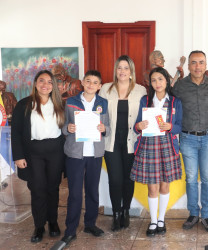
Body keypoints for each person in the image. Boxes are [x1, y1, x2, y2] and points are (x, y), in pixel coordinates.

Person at [56, 70, 110, 247]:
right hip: (75, 153)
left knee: (93, 191)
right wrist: (68, 129)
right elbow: (63, 126)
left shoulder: (103, 102)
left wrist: (103, 128)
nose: (91, 85)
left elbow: (107, 127)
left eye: (95, 82)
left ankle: (90, 224)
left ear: (99, 86)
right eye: (88, 81)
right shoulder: (71, 102)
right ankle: (70, 229)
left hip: (95, 153)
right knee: (75, 193)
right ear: (82, 83)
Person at [11, 70, 65, 243]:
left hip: (56, 150)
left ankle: (53, 222)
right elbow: (16, 133)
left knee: (53, 188)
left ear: (53, 86)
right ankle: (39, 225)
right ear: (35, 83)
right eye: (41, 81)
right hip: (33, 151)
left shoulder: (59, 104)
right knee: (38, 189)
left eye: (49, 82)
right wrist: (18, 156)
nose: (45, 85)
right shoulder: (24, 105)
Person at [132, 67, 183, 237]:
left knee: (164, 185)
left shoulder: (175, 102)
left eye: (160, 79)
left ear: (167, 81)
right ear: (150, 83)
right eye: (154, 80)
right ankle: (153, 220)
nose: (157, 83)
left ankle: (162, 219)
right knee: (152, 187)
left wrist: (171, 127)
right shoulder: (145, 100)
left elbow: (180, 126)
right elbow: (137, 124)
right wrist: (138, 126)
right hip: (149, 146)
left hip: (167, 146)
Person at [172, 50, 208, 232]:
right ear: (189, 65)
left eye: (201, 62)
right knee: (191, 178)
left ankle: (206, 215)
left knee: (207, 178)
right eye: (193, 63)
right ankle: (193, 213)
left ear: (205, 65)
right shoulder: (180, 87)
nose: (197, 66)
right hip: (187, 138)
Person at [99, 55, 146, 231]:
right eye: (119, 68)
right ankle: (116, 213)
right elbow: (99, 112)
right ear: (115, 70)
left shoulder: (141, 91)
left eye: (126, 68)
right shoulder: (105, 89)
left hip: (131, 142)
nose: (122, 71)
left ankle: (126, 210)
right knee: (115, 179)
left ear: (131, 71)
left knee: (128, 179)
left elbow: (144, 114)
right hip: (110, 142)